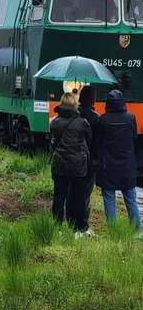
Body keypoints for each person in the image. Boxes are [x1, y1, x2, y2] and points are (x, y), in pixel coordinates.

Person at [96, 89, 141, 231]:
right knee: (131, 200)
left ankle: (113, 230)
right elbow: (134, 138)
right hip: (127, 165)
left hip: (108, 165)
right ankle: (136, 230)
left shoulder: (103, 119)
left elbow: (98, 141)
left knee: (109, 199)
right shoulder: (131, 118)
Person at [50, 92, 91, 232]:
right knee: (78, 197)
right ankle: (78, 227)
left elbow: (54, 142)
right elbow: (89, 140)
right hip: (78, 165)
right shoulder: (82, 123)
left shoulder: (54, 122)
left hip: (59, 164)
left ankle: (57, 227)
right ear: (75, 104)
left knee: (59, 196)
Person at [73, 86, 99, 234]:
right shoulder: (96, 117)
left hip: (74, 159)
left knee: (73, 192)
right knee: (85, 194)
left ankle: (71, 222)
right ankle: (83, 225)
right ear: (93, 99)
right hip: (90, 161)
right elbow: (96, 141)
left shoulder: (74, 115)